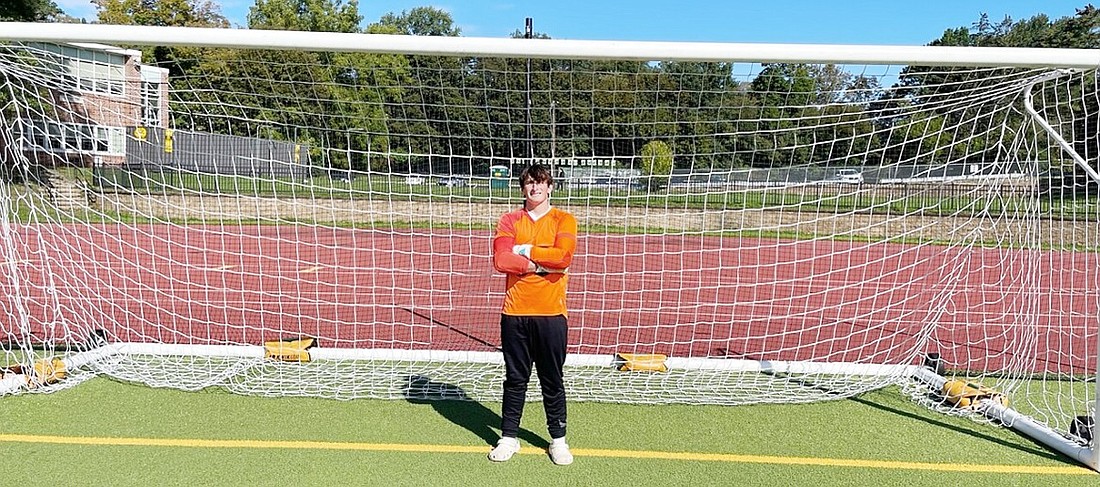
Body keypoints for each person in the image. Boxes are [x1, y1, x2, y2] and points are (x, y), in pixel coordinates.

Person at [488, 164, 578, 466]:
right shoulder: (510, 220)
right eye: (528, 183)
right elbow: (501, 259)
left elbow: (563, 256)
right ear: (522, 188)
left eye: (540, 182)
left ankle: (558, 441)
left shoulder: (564, 219)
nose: (534, 188)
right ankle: (509, 438)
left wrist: (524, 250)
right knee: (515, 379)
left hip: (551, 314)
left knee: (552, 379)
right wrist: (539, 265)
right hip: (515, 313)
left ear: (550, 186)